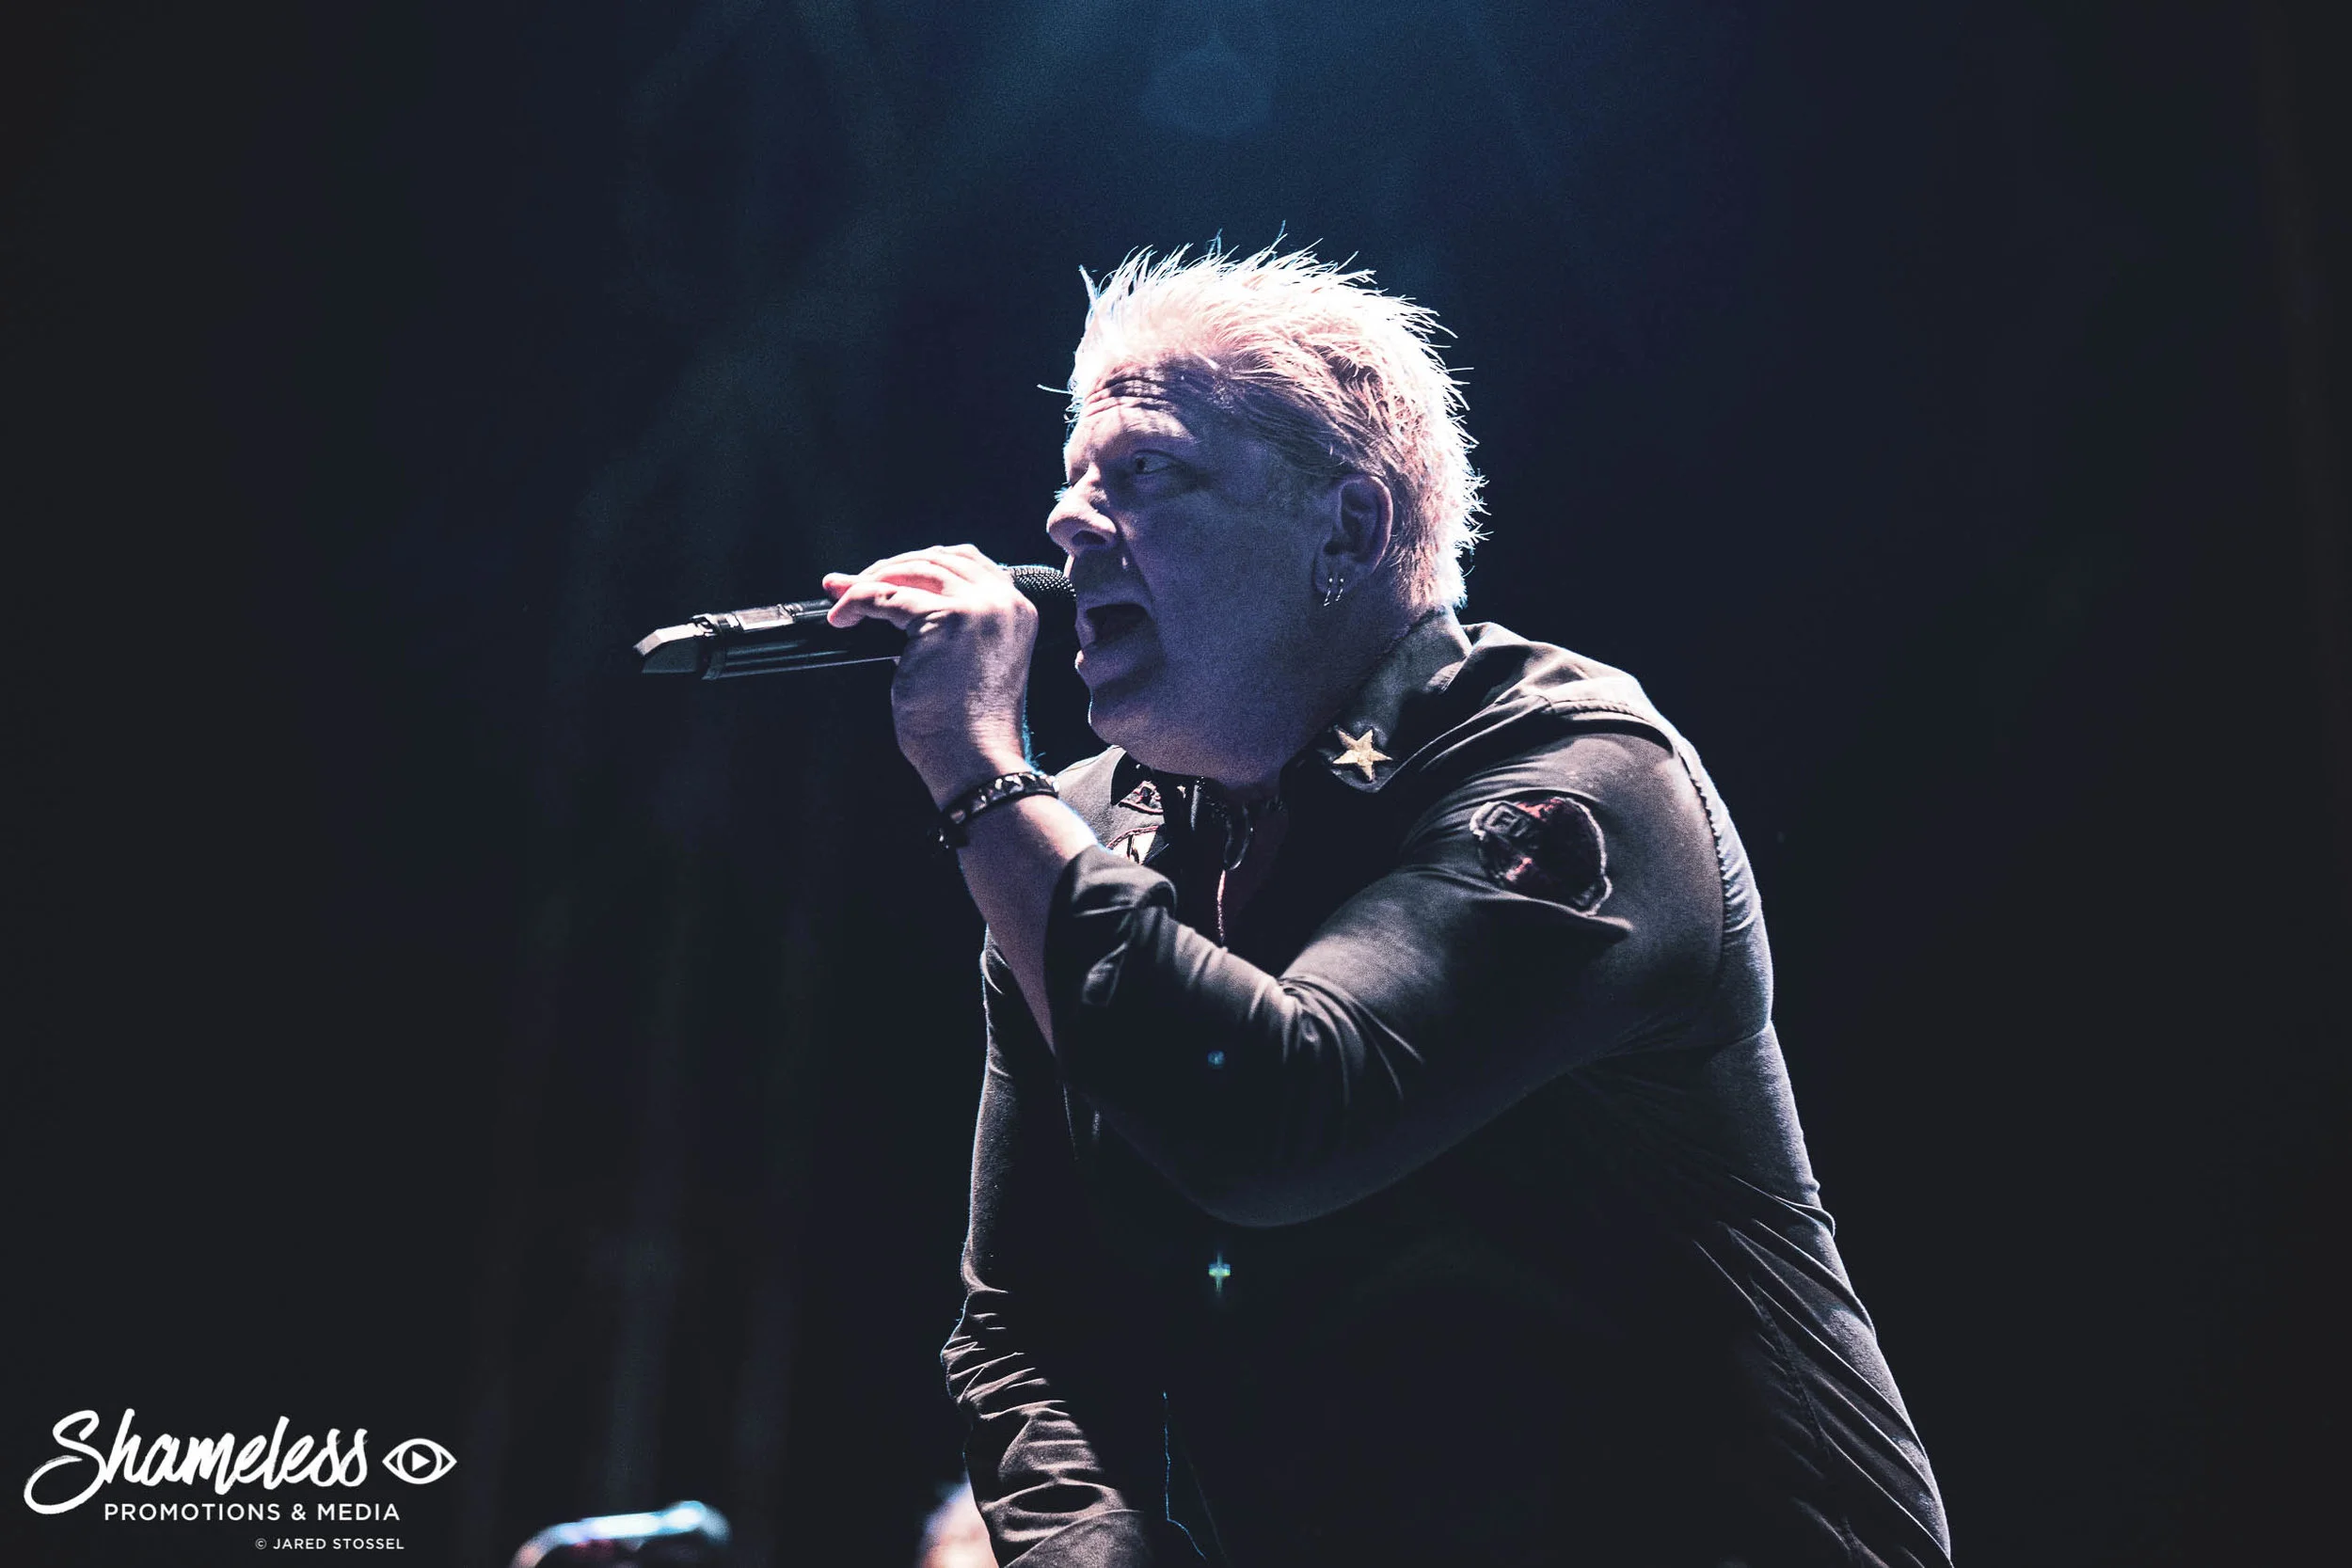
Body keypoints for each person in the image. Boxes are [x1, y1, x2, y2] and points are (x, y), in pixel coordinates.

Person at [822, 247, 1952, 1568]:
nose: (1069, 525)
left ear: (1349, 531)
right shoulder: (1078, 832)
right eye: (1072, 478)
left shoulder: (1572, 772)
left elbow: (1284, 1110)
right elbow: (1027, 1325)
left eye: (1147, 473)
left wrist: (979, 776)